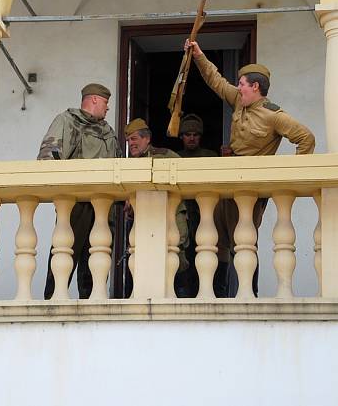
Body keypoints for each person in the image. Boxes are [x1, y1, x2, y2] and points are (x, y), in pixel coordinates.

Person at [184, 39, 315, 296]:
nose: (238, 88)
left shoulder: (274, 115)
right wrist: (199, 54)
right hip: (228, 180)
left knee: (243, 242)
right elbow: (215, 80)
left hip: (250, 189)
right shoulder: (238, 101)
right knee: (217, 240)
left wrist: (291, 177)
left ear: (255, 87)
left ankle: (248, 295)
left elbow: (306, 139)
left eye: (242, 84)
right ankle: (217, 295)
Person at [38, 83, 119, 299]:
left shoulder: (108, 133)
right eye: (105, 102)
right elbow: (48, 158)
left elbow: (119, 166)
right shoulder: (67, 121)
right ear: (93, 100)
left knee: (97, 264)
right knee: (64, 255)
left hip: (103, 206)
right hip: (75, 204)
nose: (107, 108)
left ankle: (93, 307)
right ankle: (52, 305)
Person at [124, 118, 190, 276]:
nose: (131, 143)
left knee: (176, 260)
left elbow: (188, 175)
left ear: (147, 138)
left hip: (171, 217)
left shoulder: (165, 155)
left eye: (134, 138)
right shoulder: (127, 165)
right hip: (146, 221)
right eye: (128, 140)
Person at [174, 114, 223, 298]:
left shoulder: (210, 156)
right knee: (183, 255)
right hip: (183, 213)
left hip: (206, 213)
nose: (192, 138)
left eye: (195, 134)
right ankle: (184, 293)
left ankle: (215, 291)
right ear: (181, 137)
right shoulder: (175, 157)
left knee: (209, 254)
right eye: (187, 134)